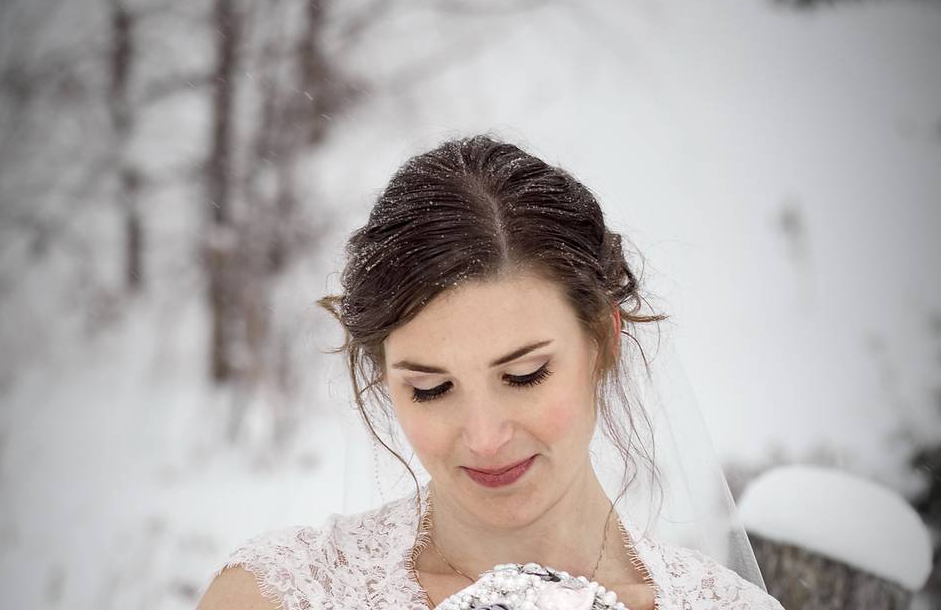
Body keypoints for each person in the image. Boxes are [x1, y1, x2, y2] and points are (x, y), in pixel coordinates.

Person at [197, 136, 784, 609]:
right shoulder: (272, 595)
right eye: (430, 388)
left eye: (525, 375)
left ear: (603, 339)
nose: (484, 438)